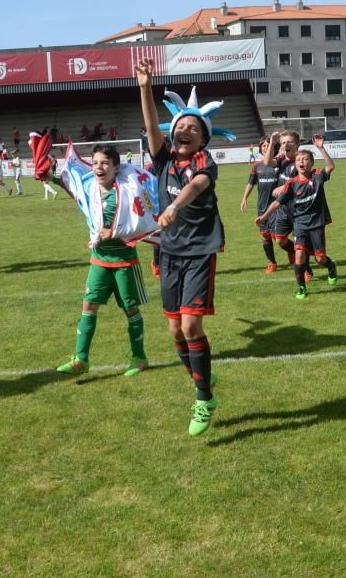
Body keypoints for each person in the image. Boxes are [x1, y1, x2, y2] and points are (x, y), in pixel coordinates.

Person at [137, 57, 230, 437]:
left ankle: (203, 396)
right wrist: (145, 88)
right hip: (169, 252)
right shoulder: (163, 161)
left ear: (203, 138)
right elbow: (149, 126)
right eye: (180, 126)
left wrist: (173, 205)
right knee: (175, 333)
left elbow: (195, 188)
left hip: (199, 251)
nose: (185, 130)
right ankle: (202, 385)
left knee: (192, 326)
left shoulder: (206, 162)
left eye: (193, 127)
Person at [56, 144, 150, 377]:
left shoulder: (127, 192)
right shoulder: (90, 187)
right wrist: (50, 176)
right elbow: (74, 190)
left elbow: (142, 222)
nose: (99, 167)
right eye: (96, 162)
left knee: (130, 309)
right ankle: (81, 359)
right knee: (89, 306)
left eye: (105, 163)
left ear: (116, 168)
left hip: (124, 261)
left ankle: (139, 357)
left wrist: (116, 232)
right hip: (99, 259)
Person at [256, 144, 337, 299]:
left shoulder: (317, 176)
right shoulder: (291, 183)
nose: (301, 162)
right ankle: (301, 288)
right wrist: (264, 217)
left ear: (311, 163)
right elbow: (277, 203)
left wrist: (321, 148)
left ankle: (331, 266)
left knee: (320, 259)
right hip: (299, 224)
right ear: (295, 164)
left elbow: (331, 166)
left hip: (316, 225)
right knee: (299, 255)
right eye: (298, 159)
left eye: (305, 159)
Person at [260, 129, 314, 280]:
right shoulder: (282, 159)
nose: (286, 145)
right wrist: (272, 142)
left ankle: (306, 269)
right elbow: (266, 162)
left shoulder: (301, 161)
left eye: (289, 142)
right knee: (280, 239)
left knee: (300, 245)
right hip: (283, 209)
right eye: (283, 143)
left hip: (299, 209)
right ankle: (295, 254)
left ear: (297, 144)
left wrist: (282, 188)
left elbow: (303, 183)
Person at [240, 137, 280, 274]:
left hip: (277, 207)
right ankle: (272, 262)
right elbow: (250, 183)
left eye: (268, 145)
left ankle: (295, 255)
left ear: (274, 147)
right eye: (263, 145)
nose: (265, 147)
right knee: (265, 235)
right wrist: (244, 198)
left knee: (278, 237)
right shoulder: (256, 167)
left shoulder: (279, 164)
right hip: (262, 207)